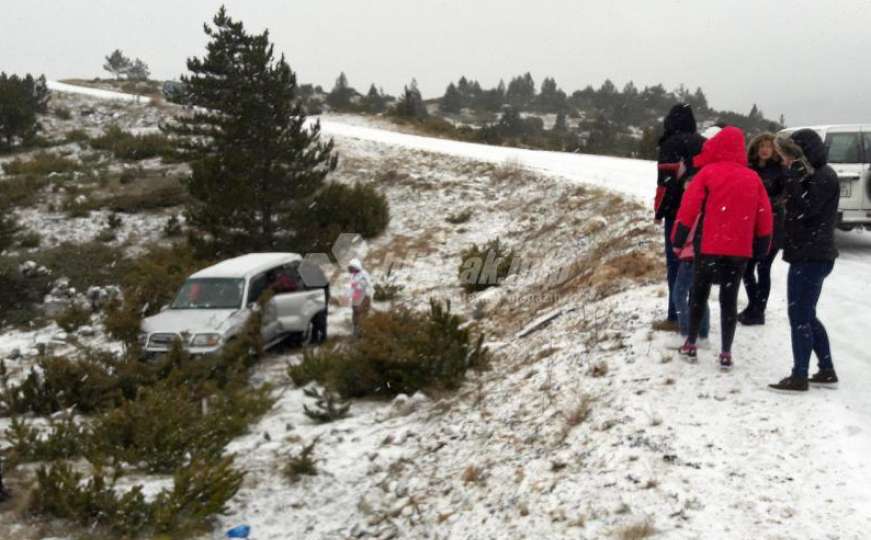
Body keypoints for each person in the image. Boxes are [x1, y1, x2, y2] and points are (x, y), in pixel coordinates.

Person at [672, 126, 773, 369]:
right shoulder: (753, 178)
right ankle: (726, 352)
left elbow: (689, 208)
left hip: (708, 245)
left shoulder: (707, 174)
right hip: (739, 250)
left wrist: (678, 237)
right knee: (729, 299)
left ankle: (691, 343)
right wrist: (762, 247)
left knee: (699, 293)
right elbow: (765, 216)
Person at [769, 130, 839, 392]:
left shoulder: (823, 177)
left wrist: (793, 183)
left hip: (812, 256)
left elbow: (807, 211)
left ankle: (800, 375)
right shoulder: (814, 175)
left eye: (788, 157)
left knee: (799, 314)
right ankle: (826, 369)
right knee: (806, 314)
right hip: (809, 254)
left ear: (801, 156)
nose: (785, 162)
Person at [653, 103, 706, 331]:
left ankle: (675, 317)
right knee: (696, 264)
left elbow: (665, 184)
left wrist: (659, 212)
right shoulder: (703, 143)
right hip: (701, 213)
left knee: (675, 263)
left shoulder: (669, 144)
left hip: (677, 213)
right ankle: (697, 317)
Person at [739, 133, 786, 325]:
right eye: (762, 146)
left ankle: (759, 311)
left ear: (775, 149)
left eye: (769, 146)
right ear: (756, 148)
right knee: (746, 269)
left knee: (764, 267)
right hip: (750, 225)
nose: (765, 149)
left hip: (772, 225)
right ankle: (754, 305)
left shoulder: (781, 171)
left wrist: (764, 204)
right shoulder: (748, 168)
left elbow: (785, 197)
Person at [348, 258, 372, 338]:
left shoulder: (364, 274)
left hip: (364, 297)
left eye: (352, 268)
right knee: (355, 314)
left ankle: (363, 332)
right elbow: (352, 287)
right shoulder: (353, 275)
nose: (351, 270)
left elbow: (366, 285)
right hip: (356, 297)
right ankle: (356, 331)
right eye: (350, 268)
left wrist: (357, 286)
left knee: (362, 314)